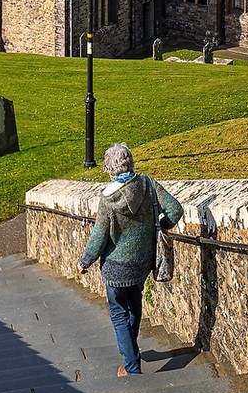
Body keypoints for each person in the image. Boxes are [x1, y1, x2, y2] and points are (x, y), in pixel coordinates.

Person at [77, 142, 182, 376]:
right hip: (142, 261)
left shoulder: (107, 200)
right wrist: (160, 226)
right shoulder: (148, 184)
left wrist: (85, 260)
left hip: (116, 266)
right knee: (135, 303)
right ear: (130, 162)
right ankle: (132, 352)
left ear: (109, 168)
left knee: (118, 312)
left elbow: (100, 235)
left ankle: (132, 367)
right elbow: (175, 210)